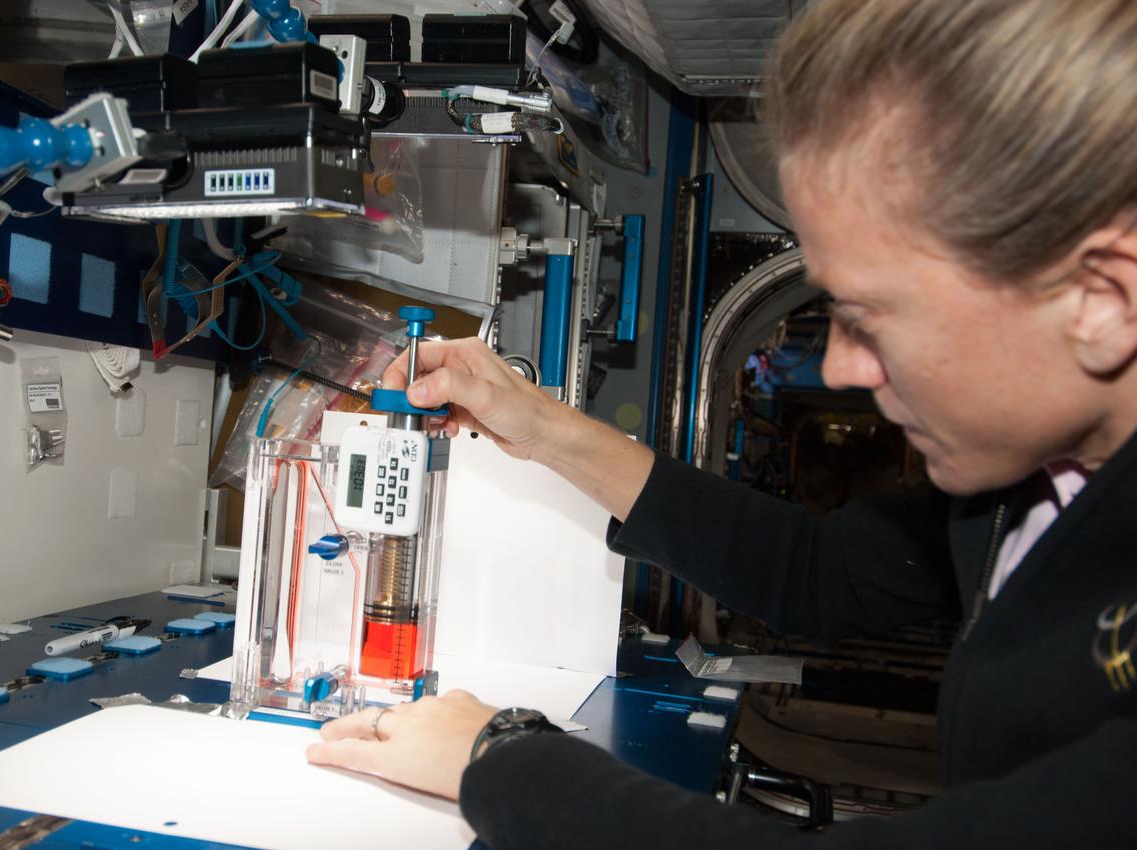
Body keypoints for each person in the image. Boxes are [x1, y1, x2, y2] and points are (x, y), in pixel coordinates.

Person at [307, 0, 1137, 845]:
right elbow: (816, 573)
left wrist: (502, 756)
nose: (843, 367)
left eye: (873, 313)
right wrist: (542, 426)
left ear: (1103, 302)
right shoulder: (1022, 488)